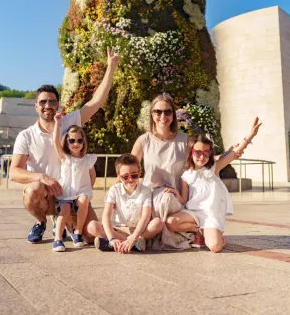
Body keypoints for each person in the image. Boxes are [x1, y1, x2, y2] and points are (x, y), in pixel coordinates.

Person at [9, 47, 119, 245]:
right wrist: (42, 177)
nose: (47, 106)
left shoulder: (70, 122)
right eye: (43, 102)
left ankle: (66, 223)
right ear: (36, 106)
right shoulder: (26, 135)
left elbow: (96, 102)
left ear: (58, 104)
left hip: (72, 195)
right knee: (33, 189)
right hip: (46, 195)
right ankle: (40, 222)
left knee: (90, 236)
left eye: (52, 101)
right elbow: (14, 172)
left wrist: (111, 68)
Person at [131, 92, 243, 250]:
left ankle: (145, 239)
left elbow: (204, 157)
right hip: (150, 197)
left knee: (165, 199)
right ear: (151, 114)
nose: (163, 116)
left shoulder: (185, 140)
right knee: (147, 205)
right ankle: (141, 239)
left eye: (168, 111)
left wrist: (231, 153)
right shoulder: (144, 140)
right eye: (158, 111)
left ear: (173, 115)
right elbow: (127, 167)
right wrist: (114, 195)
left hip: (175, 198)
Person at [166, 117, 262, 252]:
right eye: (198, 152)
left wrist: (251, 134)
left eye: (206, 153)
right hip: (194, 213)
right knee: (170, 222)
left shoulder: (213, 168)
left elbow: (234, 153)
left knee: (215, 247)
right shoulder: (186, 175)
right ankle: (198, 231)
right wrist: (175, 193)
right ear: (191, 152)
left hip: (211, 215)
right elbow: (184, 200)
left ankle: (212, 234)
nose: (201, 157)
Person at [87, 154, 163, 253]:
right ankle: (132, 244)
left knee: (158, 223)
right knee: (92, 226)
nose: (130, 179)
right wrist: (111, 237)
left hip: (138, 230)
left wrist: (133, 236)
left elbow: (146, 216)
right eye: (125, 177)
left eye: (134, 175)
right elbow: (106, 216)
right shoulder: (114, 189)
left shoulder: (146, 191)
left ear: (139, 174)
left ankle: (119, 244)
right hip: (117, 229)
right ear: (119, 176)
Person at [52, 115, 97, 252]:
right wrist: (57, 123)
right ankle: (58, 239)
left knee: (84, 201)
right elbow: (55, 141)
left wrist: (88, 190)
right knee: (64, 209)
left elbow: (92, 175)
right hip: (67, 191)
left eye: (79, 140)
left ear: (84, 142)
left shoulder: (88, 159)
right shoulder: (65, 157)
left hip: (81, 191)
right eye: (72, 140)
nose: (75, 143)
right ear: (66, 142)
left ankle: (77, 233)